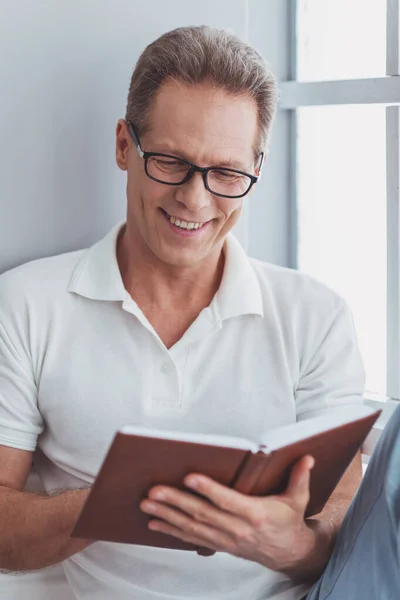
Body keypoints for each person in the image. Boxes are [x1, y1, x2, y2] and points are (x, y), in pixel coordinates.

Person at [0, 24, 397, 600]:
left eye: (227, 173)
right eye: (170, 161)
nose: (195, 198)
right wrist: (118, 501)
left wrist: (294, 547)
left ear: (255, 170)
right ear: (122, 146)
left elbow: (338, 524)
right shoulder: (26, 306)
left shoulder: (317, 316)